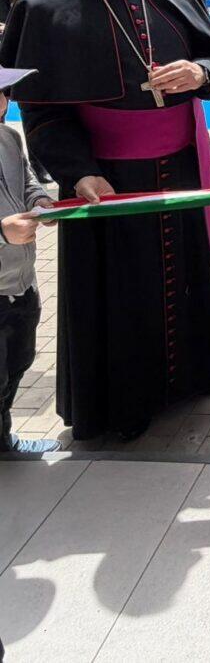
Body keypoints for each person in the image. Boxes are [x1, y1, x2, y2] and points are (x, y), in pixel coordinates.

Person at [0, 0, 210, 442]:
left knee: (188, 273)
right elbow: (39, 110)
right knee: (121, 291)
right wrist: (78, 170)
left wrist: (200, 74)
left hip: (182, 162)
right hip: (104, 174)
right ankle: (124, 402)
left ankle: (203, 371)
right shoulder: (42, 6)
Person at [0, 67, 60, 456]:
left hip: (22, 283)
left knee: (19, 359)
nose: (2, 100)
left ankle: (2, 436)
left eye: (4, 91)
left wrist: (39, 200)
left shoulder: (8, 137)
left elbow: (25, 179)